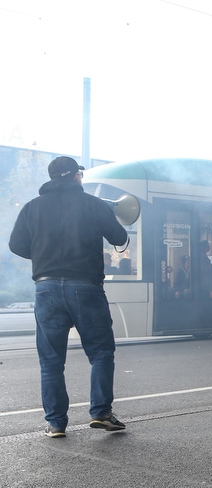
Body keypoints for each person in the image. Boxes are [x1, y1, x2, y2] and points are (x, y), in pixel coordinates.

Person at [8, 156, 129, 437]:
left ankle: (56, 424)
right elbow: (119, 237)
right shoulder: (93, 204)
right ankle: (101, 412)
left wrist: (41, 254)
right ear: (76, 176)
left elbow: (16, 245)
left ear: (52, 178)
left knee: (51, 361)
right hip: (85, 286)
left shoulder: (31, 208)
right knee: (100, 352)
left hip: (46, 287)